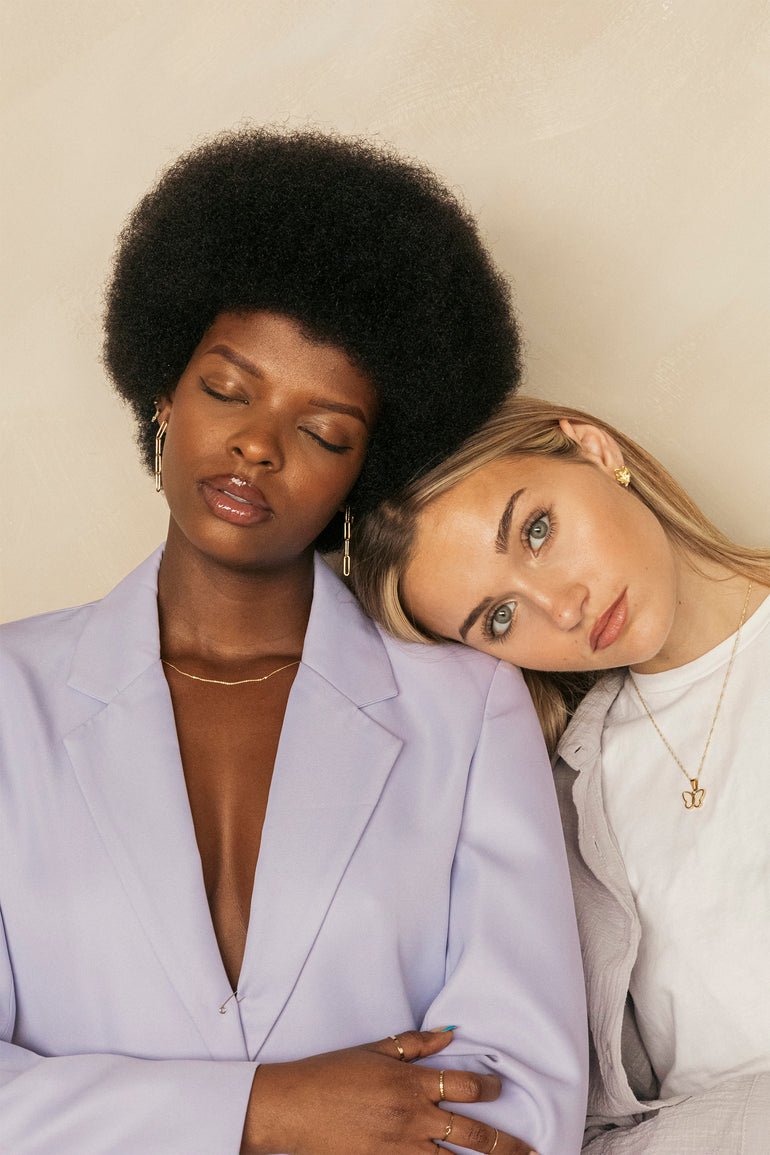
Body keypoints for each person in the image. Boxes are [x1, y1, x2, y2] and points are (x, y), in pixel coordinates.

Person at [0, 135, 588, 1155]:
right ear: (162, 395)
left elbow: (523, 1095)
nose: (258, 445)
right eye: (229, 389)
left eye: (324, 431)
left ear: (365, 470)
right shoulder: (9, 696)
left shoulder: (467, 712)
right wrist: (263, 1111)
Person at [352, 394, 770, 1154]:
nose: (562, 607)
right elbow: (591, 1130)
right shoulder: (569, 808)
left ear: (593, 447)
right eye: (500, 618)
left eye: (536, 530)